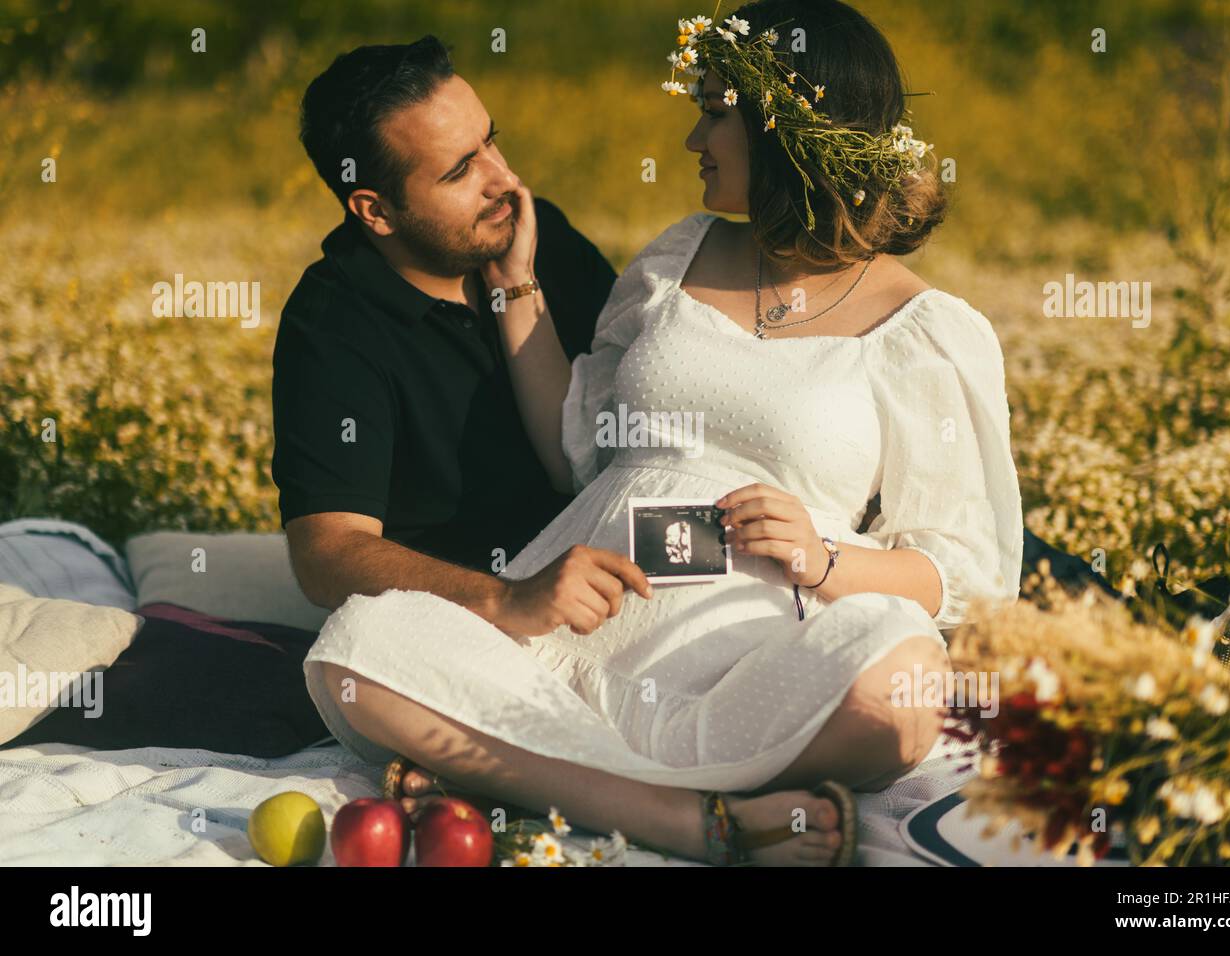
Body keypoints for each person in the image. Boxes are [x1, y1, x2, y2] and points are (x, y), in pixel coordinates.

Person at [302, 0, 1024, 867]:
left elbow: (966, 576)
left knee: (900, 683)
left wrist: (827, 561)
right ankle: (687, 816)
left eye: (715, 111)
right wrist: (519, 289)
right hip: (563, 640)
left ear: (787, 131)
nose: (693, 138)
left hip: (747, 661)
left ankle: (553, 781)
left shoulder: (927, 330)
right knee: (358, 646)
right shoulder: (678, 255)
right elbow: (582, 445)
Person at [272, 35, 617, 612]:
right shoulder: (330, 324)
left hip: (609, 576)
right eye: (460, 171)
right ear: (376, 211)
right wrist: (509, 599)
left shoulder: (537, 232)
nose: (503, 178)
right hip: (458, 619)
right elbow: (327, 553)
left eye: (490, 142)